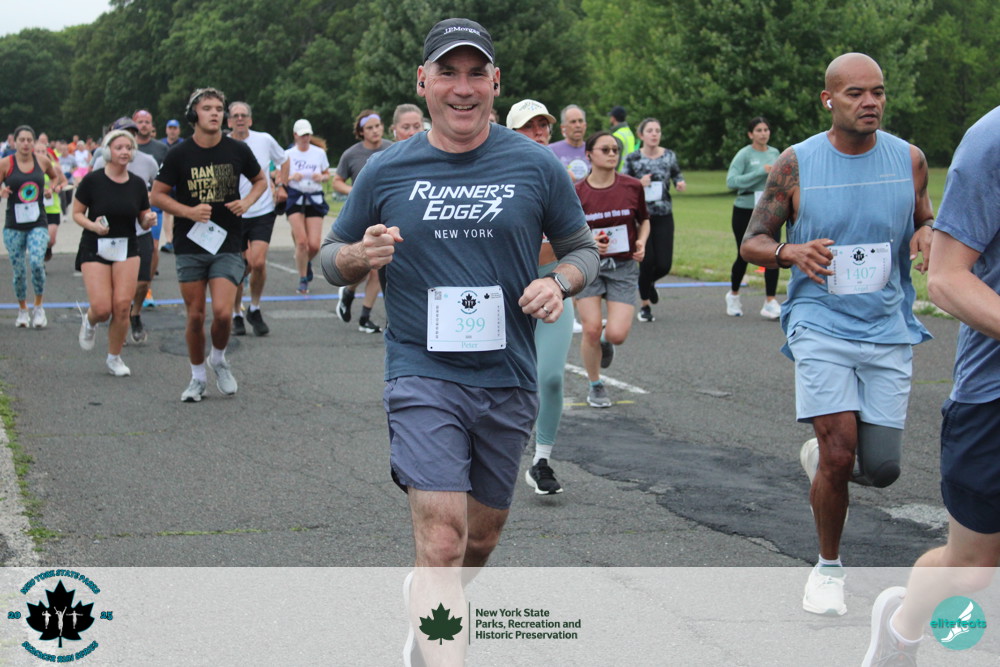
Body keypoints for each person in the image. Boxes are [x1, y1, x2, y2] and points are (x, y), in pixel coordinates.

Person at [318, 18, 597, 665]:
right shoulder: (388, 169)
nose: (463, 88)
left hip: (507, 375)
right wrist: (358, 256)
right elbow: (331, 256)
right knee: (443, 541)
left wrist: (559, 281)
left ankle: (429, 604)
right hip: (422, 371)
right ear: (424, 81)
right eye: (448, 72)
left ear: (496, 82)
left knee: (478, 542)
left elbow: (583, 248)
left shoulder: (534, 164)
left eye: (476, 73)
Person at [740, 53, 934, 617]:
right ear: (828, 99)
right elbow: (753, 242)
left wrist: (926, 232)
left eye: (878, 92)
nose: (870, 102)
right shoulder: (796, 163)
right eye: (855, 93)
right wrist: (790, 251)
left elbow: (924, 216)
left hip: (887, 323)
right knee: (840, 451)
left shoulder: (909, 159)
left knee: (882, 469)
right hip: (819, 322)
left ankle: (822, 460)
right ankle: (827, 568)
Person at [861, 106, 1000, 665]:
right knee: (972, 572)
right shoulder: (991, 140)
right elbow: (945, 278)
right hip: (992, 395)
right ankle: (903, 627)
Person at [150, 87, 266, 402]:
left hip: (228, 241)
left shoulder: (237, 149)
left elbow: (260, 180)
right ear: (194, 115)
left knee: (223, 313)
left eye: (218, 108)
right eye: (207, 108)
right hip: (190, 243)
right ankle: (197, 376)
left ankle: (218, 358)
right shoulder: (179, 154)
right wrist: (187, 211)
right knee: (196, 316)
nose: (215, 113)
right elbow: (157, 195)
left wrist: (248, 202)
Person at [507, 98, 572, 494]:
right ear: (512, 132)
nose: (539, 133)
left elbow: (576, 241)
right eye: (530, 126)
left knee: (549, 377)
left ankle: (541, 461)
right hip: (504, 291)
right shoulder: (494, 175)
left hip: (550, 287)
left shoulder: (559, 177)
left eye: (544, 125)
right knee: (501, 380)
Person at [73, 129, 156, 376]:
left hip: (127, 246)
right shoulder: (93, 180)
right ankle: (90, 321)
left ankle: (114, 358)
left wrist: (148, 220)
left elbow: (143, 218)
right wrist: (93, 226)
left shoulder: (137, 184)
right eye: (119, 147)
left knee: (121, 306)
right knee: (102, 308)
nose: (124, 152)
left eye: (128, 148)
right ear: (108, 151)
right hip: (95, 245)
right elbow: (77, 213)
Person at [576, 131, 649, 408]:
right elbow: (568, 229)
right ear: (589, 155)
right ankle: (595, 384)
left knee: (617, 334)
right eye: (605, 149)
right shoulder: (577, 192)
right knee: (591, 329)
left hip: (623, 266)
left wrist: (641, 242)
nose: (611, 154)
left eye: (615, 150)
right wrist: (589, 240)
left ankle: (607, 342)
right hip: (589, 265)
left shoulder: (632, 186)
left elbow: (644, 220)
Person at [92, 117, 162, 345]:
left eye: (132, 133)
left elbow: (159, 189)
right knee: (116, 286)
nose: (128, 138)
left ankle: (135, 314)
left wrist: (148, 201)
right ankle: (119, 320)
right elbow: (92, 192)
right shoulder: (101, 161)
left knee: (142, 282)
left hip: (140, 230)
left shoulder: (148, 162)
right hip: (112, 233)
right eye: (123, 133)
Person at [227, 101, 287, 337]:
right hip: (234, 212)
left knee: (258, 262)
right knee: (241, 266)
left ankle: (254, 307)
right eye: (235, 116)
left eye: (244, 115)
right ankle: (236, 313)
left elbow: (283, 160)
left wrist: (282, 185)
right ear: (229, 121)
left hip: (262, 210)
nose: (240, 119)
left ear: (250, 120)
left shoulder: (264, 140)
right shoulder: (223, 144)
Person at [331, 109, 394, 333]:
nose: (375, 131)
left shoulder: (393, 149)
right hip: (362, 216)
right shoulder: (351, 154)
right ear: (361, 132)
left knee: (379, 266)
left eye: (377, 126)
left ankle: (365, 317)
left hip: (385, 215)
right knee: (365, 264)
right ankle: (349, 292)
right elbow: (337, 181)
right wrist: (355, 192)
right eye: (369, 128)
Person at [623, 117, 686, 322]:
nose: (654, 134)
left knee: (664, 264)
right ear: (641, 135)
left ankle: (648, 283)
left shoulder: (669, 155)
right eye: (650, 130)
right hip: (641, 217)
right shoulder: (633, 158)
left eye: (657, 130)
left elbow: (676, 173)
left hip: (664, 213)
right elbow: (622, 184)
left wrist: (680, 182)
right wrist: (638, 183)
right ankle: (645, 306)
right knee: (647, 261)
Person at [1, 125, 64, 328]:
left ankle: (38, 307)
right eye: (22, 140)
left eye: (29, 140)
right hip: (14, 225)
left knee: (37, 263)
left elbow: (55, 177)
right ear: (15, 142)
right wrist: (2, 192)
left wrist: (51, 188)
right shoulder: (6, 163)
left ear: (34, 142)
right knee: (19, 271)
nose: (26, 144)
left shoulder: (42, 161)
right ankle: (22, 310)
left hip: (38, 222)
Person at [726, 116, 783, 319]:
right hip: (745, 210)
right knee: (744, 254)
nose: (763, 133)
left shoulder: (775, 153)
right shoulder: (744, 155)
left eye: (766, 129)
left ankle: (770, 301)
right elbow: (732, 181)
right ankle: (733, 295)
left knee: (773, 254)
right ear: (751, 134)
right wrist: (760, 172)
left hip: (770, 210)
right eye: (758, 130)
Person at [280, 118, 330, 296]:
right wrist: (292, 177)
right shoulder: (288, 154)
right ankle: (303, 278)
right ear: (295, 135)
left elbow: (327, 174)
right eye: (302, 135)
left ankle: (305, 261)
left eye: (307, 135)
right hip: (295, 197)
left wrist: (321, 177)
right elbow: (280, 177)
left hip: (314, 197)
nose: (305, 138)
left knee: (314, 245)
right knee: (301, 242)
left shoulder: (319, 153)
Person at [133, 110, 169, 305]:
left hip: (152, 205)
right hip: (129, 205)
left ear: (152, 125)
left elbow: (166, 177)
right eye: (140, 121)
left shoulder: (160, 149)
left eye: (147, 121)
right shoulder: (126, 146)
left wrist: (154, 194)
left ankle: (147, 287)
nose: (144, 125)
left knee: (153, 247)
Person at [549, 104, 589, 182]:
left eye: (580, 121)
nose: (578, 125)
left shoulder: (594, 150)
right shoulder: (551, 151)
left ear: (585, 125)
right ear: (563, 127)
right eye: (573, 122)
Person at [607, 105, 636, 172]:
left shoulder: (617, 135)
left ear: (613, 118)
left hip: (620, 172)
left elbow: (615, 158)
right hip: (630, 171)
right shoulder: (629, 132)